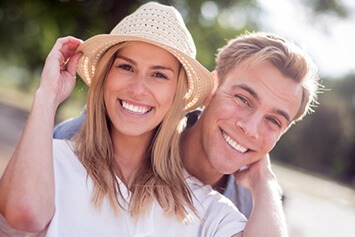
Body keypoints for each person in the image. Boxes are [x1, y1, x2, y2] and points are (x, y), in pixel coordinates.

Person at [0, 2, 250, 236]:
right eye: (126, 67)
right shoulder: (52, 160)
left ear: (177, 94)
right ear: (105, 76)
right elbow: (24, 215)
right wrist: (47, 96)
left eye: (159, 75)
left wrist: (263, 178)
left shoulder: (202, 205)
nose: (138, 89)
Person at [52, 31, 321, 237]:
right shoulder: (100, 136)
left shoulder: (253, 207)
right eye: (242, 99)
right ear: (212, 87)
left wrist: (266, 180)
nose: (250, 129)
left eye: (273, 121)